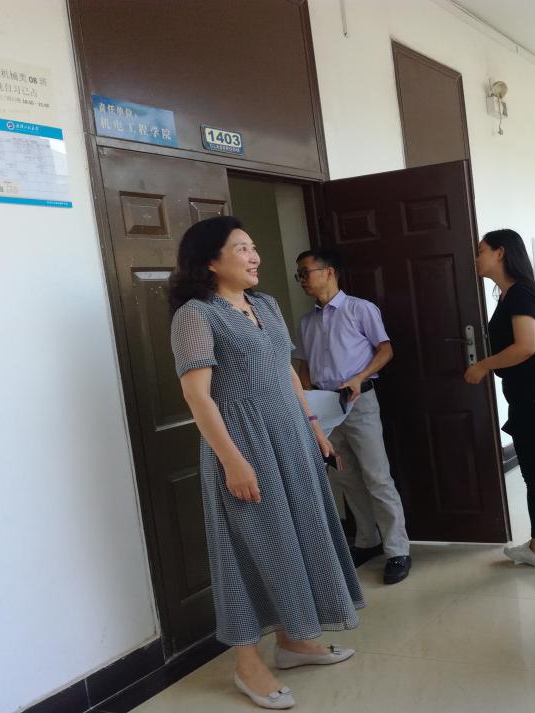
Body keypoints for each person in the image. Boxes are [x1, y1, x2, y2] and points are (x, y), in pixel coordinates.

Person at [169, 217, 364, 710]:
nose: (254, 256)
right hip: (243, 444)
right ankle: (247, 663)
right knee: (247, 549)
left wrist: (314, 428)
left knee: (297, 535)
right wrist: (232, 461)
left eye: (253, 247)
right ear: (210, 261)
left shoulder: (267, 305)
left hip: (291, 438)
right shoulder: (196, 315)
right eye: (241, 248)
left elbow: (287, 373)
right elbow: (198, 397)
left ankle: (294, 642)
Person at [294, 249, 412, 585]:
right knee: (345, 477)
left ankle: (397, 549)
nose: (302, 280)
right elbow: (304, 365)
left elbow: (385, 349)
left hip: (359, 401)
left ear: (329, 272)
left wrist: (359, 377)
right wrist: (306, 400)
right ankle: (367, 540)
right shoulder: (306, 322)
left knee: (377, 475)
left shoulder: (360, 309)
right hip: (324, 407)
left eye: (306, 272)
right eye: (299, 275)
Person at [464, 229, 535, 571]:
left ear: (500, 252)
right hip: (531, 398)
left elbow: (526, 346)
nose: (476, 258)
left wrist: (483, 365)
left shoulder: (520, 294)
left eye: (481, 251)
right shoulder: (511, 295)